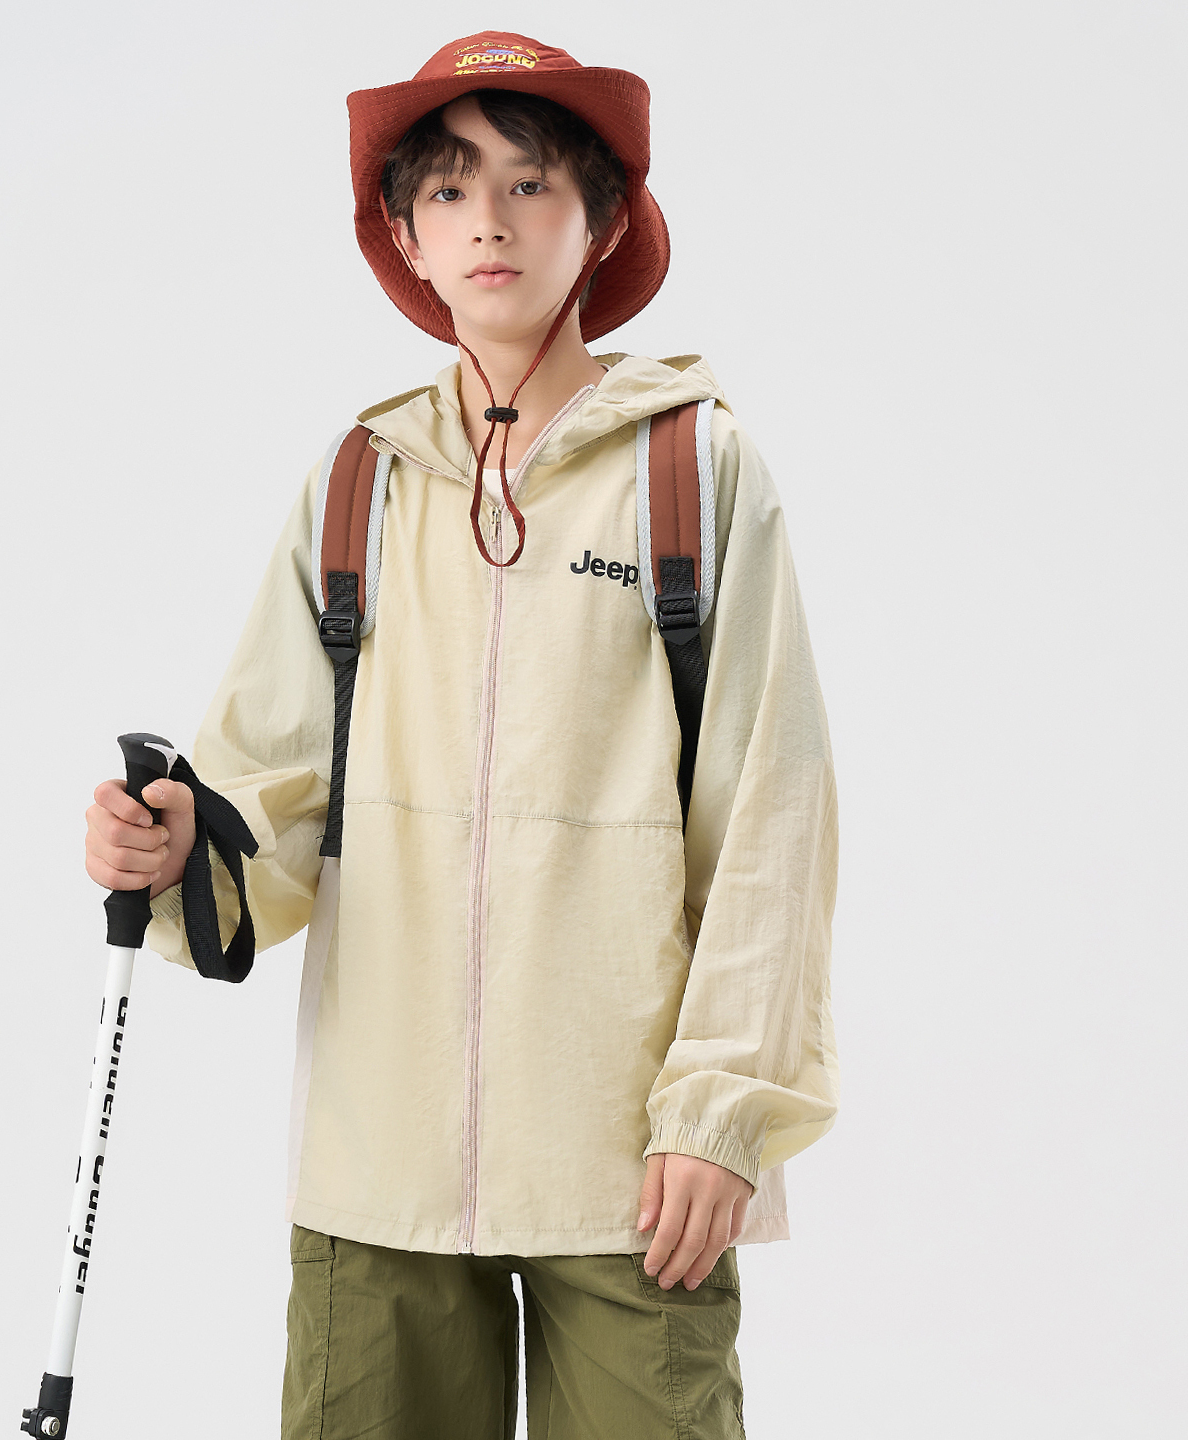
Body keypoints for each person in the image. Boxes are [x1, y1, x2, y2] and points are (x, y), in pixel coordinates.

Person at [83, 31, 838, 1440]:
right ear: (407, 238)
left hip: (632, 1169)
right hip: (378, 1166)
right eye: (447, 189)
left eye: (530, 183)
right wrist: (180, 838)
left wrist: (721, 1114)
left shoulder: (695, 468)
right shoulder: (357, 483)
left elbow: (771, 811)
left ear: (601, 219)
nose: (488, 218)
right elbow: (270, 783)